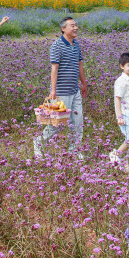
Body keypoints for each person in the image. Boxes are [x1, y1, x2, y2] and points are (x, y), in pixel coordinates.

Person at [33, 16, 87, 160]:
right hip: (61, 92)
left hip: (74, 90)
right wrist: (53, 91)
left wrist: (83, 83)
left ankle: (74, 151)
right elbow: (54, 69)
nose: (75, 28)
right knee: (56, 124)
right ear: (63, 29)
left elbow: (79, 65)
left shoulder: (76, 44)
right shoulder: (56, 45)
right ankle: (38, 143)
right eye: (72, 26)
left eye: (76, 25)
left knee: (78, 121)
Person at [110, 53, 129, 176]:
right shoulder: (121, 81)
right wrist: (119, 117)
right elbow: (117, 99)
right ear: (122, 66)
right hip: (126, 115)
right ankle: (116, 154)